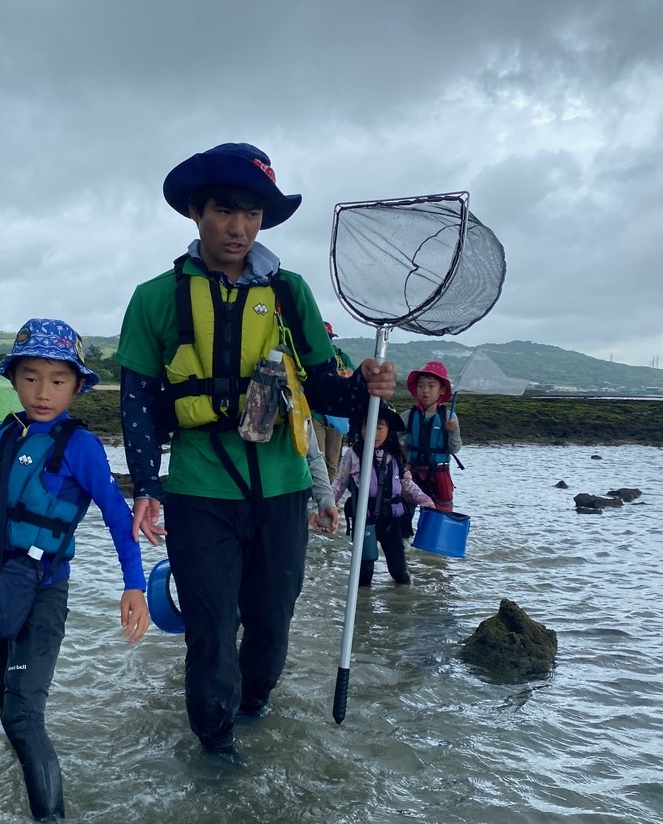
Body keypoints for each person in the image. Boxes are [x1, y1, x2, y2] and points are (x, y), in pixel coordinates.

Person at [116, 141, 396, 753]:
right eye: (224, 210)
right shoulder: (154, 298)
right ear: (197, 211)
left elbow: (325, 389)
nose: (238, 227)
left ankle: (253, 706)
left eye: (252, 212)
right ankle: (214, 751)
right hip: (197, 490)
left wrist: (365, 389)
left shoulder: (291, 292)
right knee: (212, 632)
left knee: (270, 630)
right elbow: (136, 400)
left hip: (283, 490)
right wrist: (145, 486)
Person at [0, 318, 150, 821]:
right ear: (14, 379)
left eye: (57, 380)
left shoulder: (80, 446)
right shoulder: (6, 431)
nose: (43, 392)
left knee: (23, 716)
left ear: (76, 385)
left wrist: (134, 585)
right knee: (6, 702)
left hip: (41, 592)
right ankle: (21, 789)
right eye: (30, 377)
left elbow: (117, 515)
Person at [332, 403, 435, 586]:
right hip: (365, 521)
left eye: (379, 428)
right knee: (364, 575)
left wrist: (426, 501)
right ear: (360, 428)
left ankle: (401, 608)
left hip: (391, 521)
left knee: (400, 573)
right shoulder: (353, 455)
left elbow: (406, 483)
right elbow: (339, 484)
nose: (373, 432)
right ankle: (364, 611)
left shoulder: (396, 455)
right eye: (367, 426)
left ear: (389, 430)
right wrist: (327, 507)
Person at [403, 360, 462, 511]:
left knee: (438, 516)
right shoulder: (408, 416)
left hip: (439, 474)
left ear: (442, 390)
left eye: (431, 386)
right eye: (421, 385)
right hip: (412, 472)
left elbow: (454, 449)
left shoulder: (449, 417)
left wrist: (453, 431)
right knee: (401, 513)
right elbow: (390, 438)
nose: (425, 391)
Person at [311, 322, 355, 482]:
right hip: (316, 416)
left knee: (332, 460)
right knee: (318, 458)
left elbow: (352, 377)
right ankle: (318, 493)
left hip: (337, 416)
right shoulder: (310, 357)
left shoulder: (342, 357)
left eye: (328, 337)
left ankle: (329, 497)